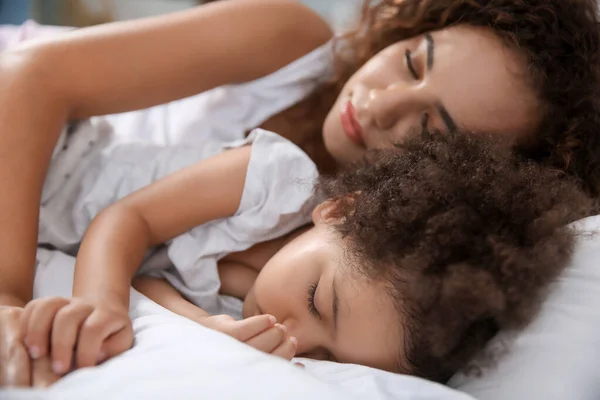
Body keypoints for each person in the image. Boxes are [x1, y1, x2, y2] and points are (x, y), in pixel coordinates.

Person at [0, 0, 598, 380]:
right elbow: (30, 79)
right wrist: (7, 295)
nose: (379, 103)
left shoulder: (361, 264)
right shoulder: (291, 46)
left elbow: (156, 275)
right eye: (414, 62)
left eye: (429, 128)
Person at [19, 129, 593, 383]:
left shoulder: (247, 313)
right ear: (339, 211)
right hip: (41, 160)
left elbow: (145, 276)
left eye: (326, 359)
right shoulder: (272, 181)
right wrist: (102, 310)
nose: (289, 335)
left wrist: (199, 325)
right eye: (318, 300)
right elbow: (125, 222)